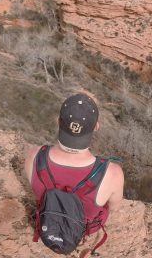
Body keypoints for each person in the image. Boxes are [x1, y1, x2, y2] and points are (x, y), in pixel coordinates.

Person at [24, 92, 124, 254]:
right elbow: (113, 206)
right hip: (85, 230)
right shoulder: (112, 173)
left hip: (47, 221)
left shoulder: (34, 156)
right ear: (96, 126)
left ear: (58, 122)